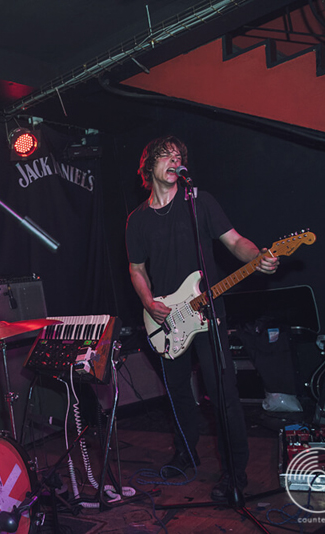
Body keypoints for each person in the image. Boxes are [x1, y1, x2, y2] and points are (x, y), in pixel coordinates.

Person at [125, 135, 279, 501]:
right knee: (179, 394)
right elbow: (136, 268)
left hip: (208, 313)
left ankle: (234, 474)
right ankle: (185, 454)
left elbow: (235, 240)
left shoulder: (200, 202)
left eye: (178, 156)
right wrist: (148, 302)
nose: (174, 160)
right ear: (149, 167)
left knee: (223, 393)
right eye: (166, 156)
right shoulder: (137, 220)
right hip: (167, 320)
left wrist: (259, 256)